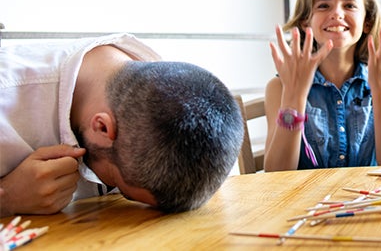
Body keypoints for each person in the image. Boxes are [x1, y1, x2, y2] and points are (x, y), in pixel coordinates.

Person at [0, 33, 244, 217]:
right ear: (103, 128)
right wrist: (7, 197)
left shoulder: (165, 100)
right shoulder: (7, 96)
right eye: (123, 190)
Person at [264, 0, 381, 171]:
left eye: (349, 5)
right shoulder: (279, 87)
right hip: (306, 202)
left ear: (367, 22)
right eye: (324, 6)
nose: (337, 14)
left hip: (369, 201)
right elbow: (275, 174)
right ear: (307, 21)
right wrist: (294, 97)